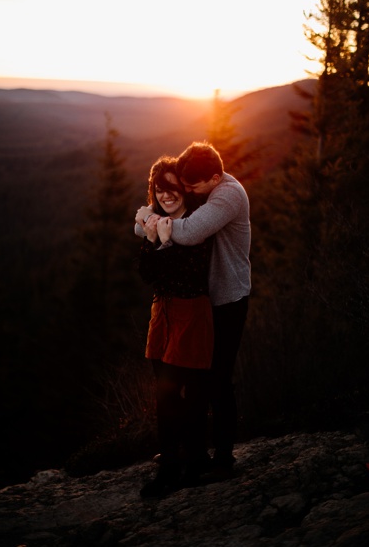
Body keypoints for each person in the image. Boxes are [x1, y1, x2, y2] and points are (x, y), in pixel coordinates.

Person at [136, 142, 251, 476]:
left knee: (218, 379)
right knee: (199, 380)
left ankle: (224, 456)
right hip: (202, 300)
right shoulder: (207, 189)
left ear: (214, 177)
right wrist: (149, 218)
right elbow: (159, 220)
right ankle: (191, 451)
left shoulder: (226, 195)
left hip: (227, 299)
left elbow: (188, 230)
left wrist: (149, 220)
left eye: (191, 185)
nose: (186, 190)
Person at [137, 157, 215, 498]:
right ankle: (170, 465)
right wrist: (152, 239)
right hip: (162, 314)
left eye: (172, 187)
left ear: (183, 188)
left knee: (193, 396)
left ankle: (195, 461)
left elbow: (187, 276)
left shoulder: (195, 225)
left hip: (190, 314)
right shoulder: (159, 220)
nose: (166, 195)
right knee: (164, 396)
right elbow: (147, 273)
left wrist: (163, 244)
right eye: (159, 189)